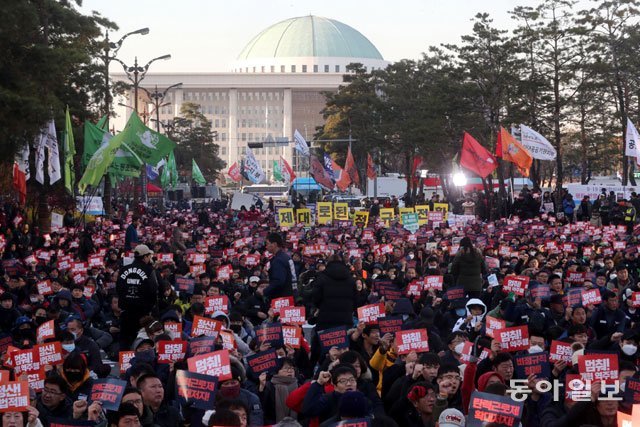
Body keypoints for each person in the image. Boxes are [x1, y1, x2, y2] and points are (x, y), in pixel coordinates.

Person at [116, 244, 159, 350]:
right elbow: (153, 291)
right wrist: (149, 308)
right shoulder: (149, 271)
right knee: (141, 341)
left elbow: (118, 288)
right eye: (149, 256)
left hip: (126, 312)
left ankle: (125, 363)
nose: (150, 258)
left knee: (125, 340)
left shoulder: (123, 270)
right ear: (145, 257)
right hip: (142, 313)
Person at [264, 232, 297, 300]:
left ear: (274, 244)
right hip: (290, 294)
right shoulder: (286, 257)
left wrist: (265, 291)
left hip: (282, 298)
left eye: (267, 244)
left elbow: (278, 281)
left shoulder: (279, 260)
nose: (266, 246)